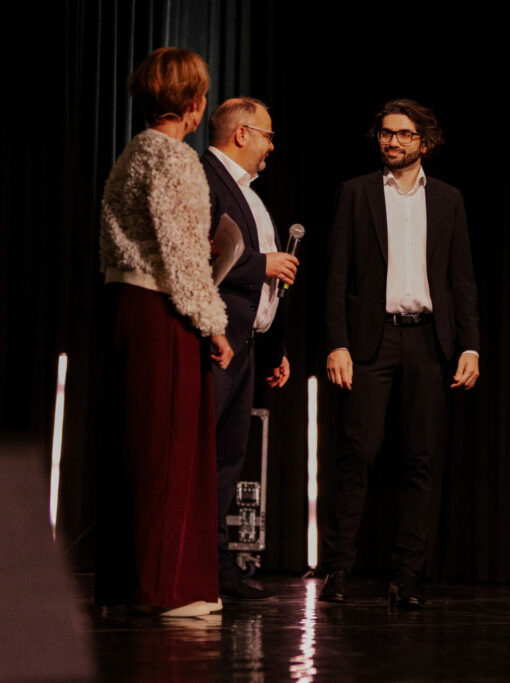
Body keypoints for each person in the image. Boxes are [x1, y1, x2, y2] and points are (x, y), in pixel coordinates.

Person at [320, 99, 480, 608]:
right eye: (386, 133)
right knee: (358, 452)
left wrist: (470, 345)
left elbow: (462, 280)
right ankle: (337, 568)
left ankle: (408, 575)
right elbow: (336, 274)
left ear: (424, 143)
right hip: (373, 340)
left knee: (420, 459)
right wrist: (338, 342)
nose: (392, 141)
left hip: (429, 340)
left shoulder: (448, 199)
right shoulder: (356, 192)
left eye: (404, 134)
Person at [96, 47, 233, 618]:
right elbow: (181, 257)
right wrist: (214, 325)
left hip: (127, 306)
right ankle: (166, 589)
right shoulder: (175, 158)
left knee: (135, 446)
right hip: (160, 313)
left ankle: (127, 586)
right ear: (194, 103)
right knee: (169, 448)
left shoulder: (134, 151)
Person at [201, 98, 298, 600]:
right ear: (242, 134)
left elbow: (271, 285)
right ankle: (196, 565)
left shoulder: (251, 196)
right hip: (214, 339)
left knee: (229, 456)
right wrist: (262, 264)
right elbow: (200, 253)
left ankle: (217, 566)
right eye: (267, 135)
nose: (271, 146)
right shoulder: (206, 179)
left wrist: (275, 347)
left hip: (247, 343)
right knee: (204, 453)